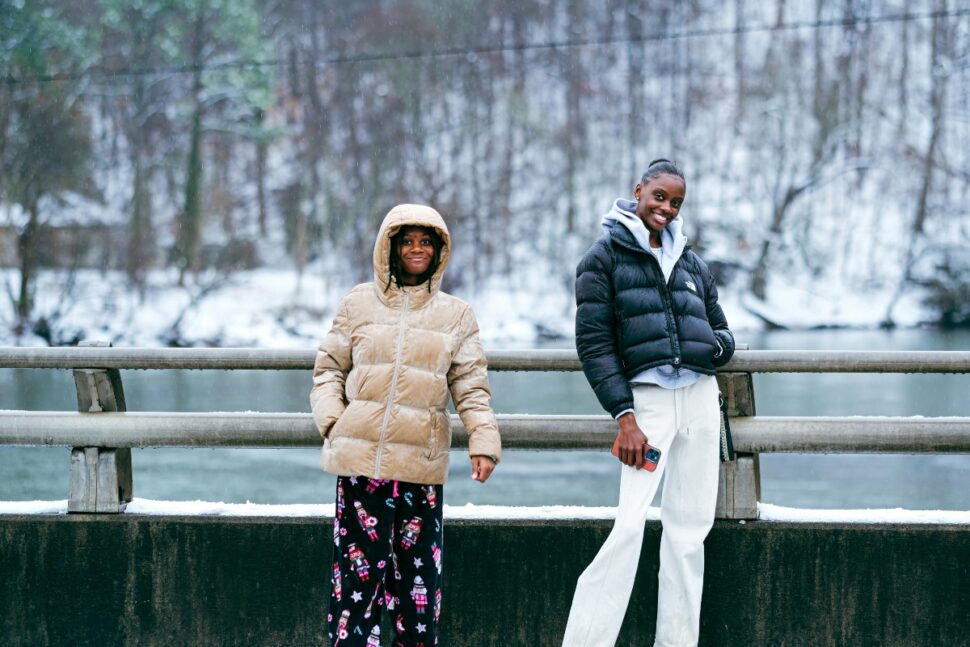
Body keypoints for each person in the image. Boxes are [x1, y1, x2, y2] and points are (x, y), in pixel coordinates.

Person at [310, 203, 501, 647]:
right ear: (389, 248)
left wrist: (483, 442)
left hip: (420, 468)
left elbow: (471, 388)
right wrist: (335, 423)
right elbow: (328, 370)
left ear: (439, 251)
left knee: (417, 591)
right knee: (356, 591)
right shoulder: (358, 302)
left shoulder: (456, 315)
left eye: (426, 242)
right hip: (361, 467)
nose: (417, 249)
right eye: (408, 241)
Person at [561, 159, 735, 647]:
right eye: (659, 196)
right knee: (628, 527)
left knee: (688, 533)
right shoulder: (603, 258)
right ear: (639, 191)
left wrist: (715, 349)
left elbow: (722, 328)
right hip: (648, 407)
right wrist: (625, 417)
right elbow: (594, 346)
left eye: (676, 202)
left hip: (700, 400)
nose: (666, 208)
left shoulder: (691, 261)